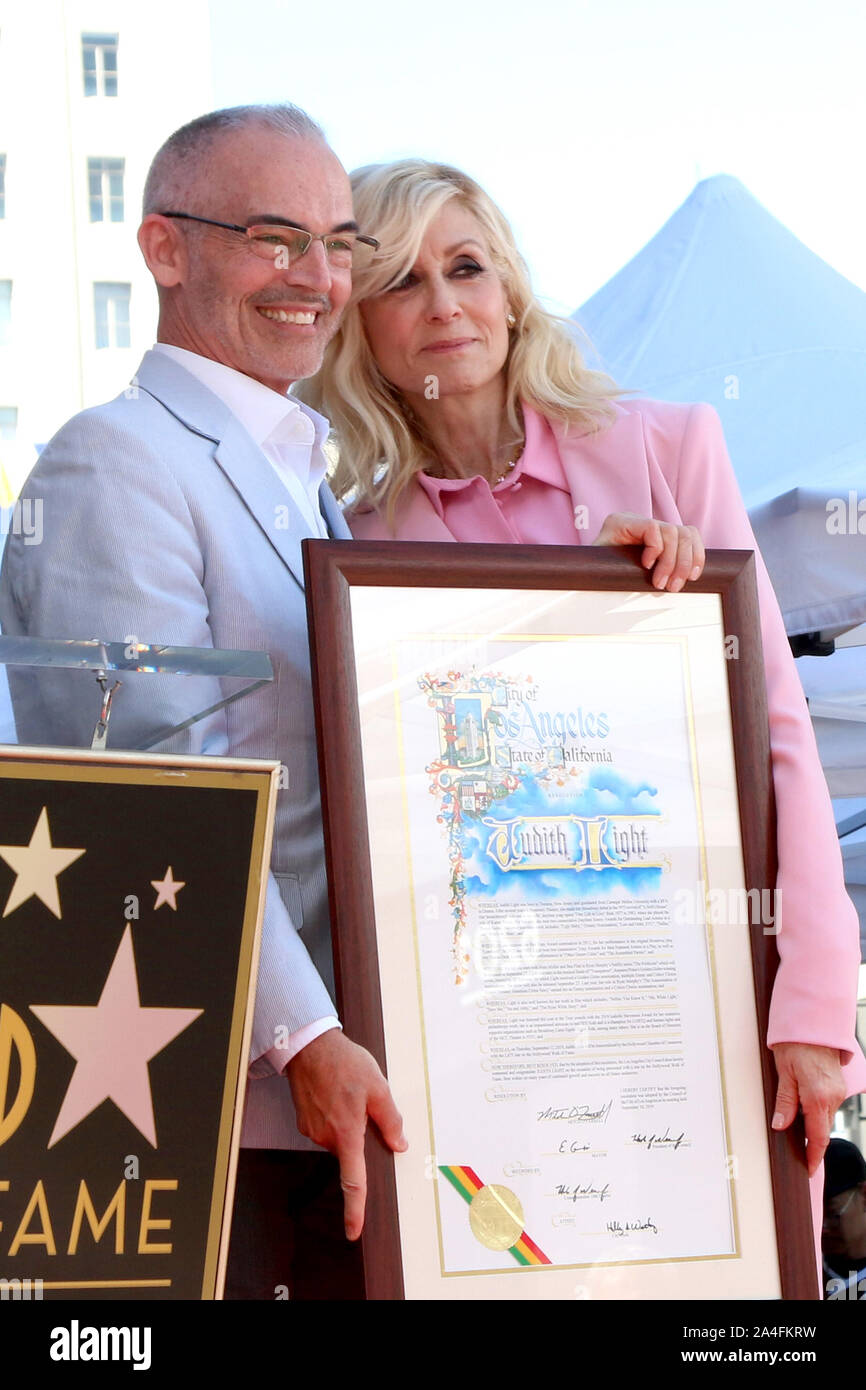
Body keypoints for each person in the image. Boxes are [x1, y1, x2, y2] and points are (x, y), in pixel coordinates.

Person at [298, 158, 866, 1197]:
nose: (443, 305)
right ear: (359, 330)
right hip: (488, 1034)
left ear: (509, 291)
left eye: (465, 266)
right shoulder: (361, 543)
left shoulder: (667, 448)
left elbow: (776, 732)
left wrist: (815, 1003)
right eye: (399, 282)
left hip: (697, 994)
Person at [0, 105, 407, 1300]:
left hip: (338, 1100)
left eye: (339, 243)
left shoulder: (310, 483)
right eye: (274, 236)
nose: (317, 278)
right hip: (219, 1116)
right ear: (165, 249)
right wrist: (305, 1036)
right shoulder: (115, 459)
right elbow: (148, 784)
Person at [823, 1137, 866, 1298]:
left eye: (832, 1213)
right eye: (815, 1217)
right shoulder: (804, 1275)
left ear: (864, 1196)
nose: (823, 1228)